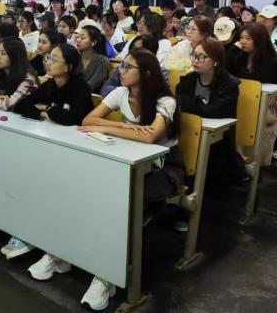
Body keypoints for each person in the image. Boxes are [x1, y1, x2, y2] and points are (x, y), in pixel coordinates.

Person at [34, 49, 181, 311]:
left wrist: (104, 127)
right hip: (126, 163)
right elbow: (88, 120)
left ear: (146, 74)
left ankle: (106, 275)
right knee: (76, 186)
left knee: (112, 201)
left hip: (163, 171)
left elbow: (149, 136)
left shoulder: (165, 101)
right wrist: (123, 126)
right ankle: (62, 253)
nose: (120, 71)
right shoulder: (120, 93)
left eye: (127, 67)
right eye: (122, 66)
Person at [0, 44, 95, 261]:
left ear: (68, 67)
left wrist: (46, 110)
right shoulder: (50, 84)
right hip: (53, 142)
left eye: (54, 59)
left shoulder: (80, 87)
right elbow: (22, 106)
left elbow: (74, 118)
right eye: (48, 58)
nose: (48, 63)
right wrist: (49, 113)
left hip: (77, 150)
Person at [175, 38, 246, 190]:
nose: (196, 60)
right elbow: (178, 101)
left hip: (218, 144)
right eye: (194, 55)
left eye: (202, 57)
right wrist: (196, 105)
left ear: (215, 61)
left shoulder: (229, 85)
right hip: (189, 133)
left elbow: (211, 111)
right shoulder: (188, 80)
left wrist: (191, 103)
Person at [226, 22, 277, 165]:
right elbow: (226, 74)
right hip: (242, 101)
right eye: (241, 38)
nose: (243, 42)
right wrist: (232, 50)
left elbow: (264, 89)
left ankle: (252, 163)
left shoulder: (271, 61)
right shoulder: (240, 56)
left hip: (263, 105)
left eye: (248, 39)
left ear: (259, 41)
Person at [100, 35, 166, 97]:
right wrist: (126, 93)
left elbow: (160, 95)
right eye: (133, 48)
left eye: (139, 49)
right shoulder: (123, 67)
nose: (133, 52)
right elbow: (105, 89)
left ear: (150, 52)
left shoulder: (161, 73)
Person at [75, 25, 109, 92]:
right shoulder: (76, 57)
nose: (78, 40)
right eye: (78, 37)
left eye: (83, 38)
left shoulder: (102, 61)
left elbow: (92, 85)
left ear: (93, 42)